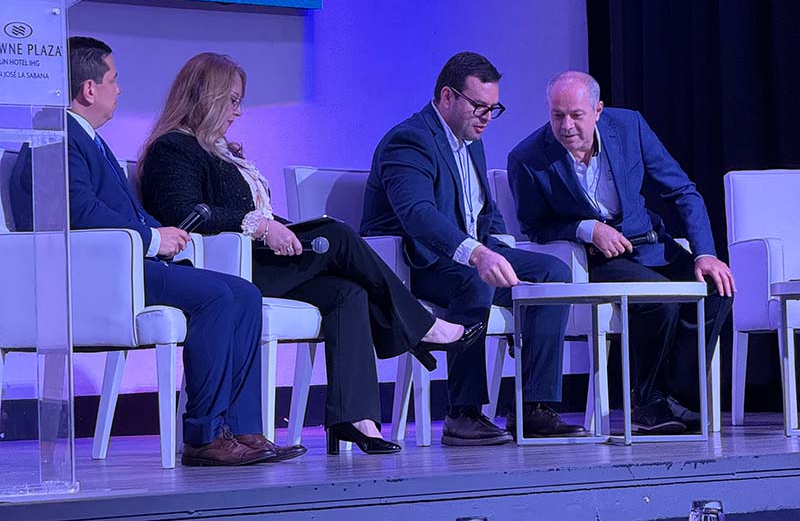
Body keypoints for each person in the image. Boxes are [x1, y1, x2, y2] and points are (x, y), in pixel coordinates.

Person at [137, 52, 482, 455]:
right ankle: (421, 326)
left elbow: (255, 213)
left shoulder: (220, 151)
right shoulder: (173, 148)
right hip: (225, 270)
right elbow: (187, 214)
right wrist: (263, 226)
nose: (238, 111)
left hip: (258, 259)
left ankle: (357, 418)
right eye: (231, 100)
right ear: (205, 96)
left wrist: (275, 224)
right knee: (336, 233)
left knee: (346, 293)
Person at [10, 37, 300, 467]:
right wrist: (151, 239)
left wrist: (161, 234)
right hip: (97, 273)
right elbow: (81, 211)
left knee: (244, 293)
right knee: (218, 297)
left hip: (123, 262)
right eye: (114, 79)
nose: (120, 89)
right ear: (89, 89)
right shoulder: (55, 137)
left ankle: (243, 430)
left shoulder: (86, 138)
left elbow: (113, 208)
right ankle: (204, 435)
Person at [360, 52, 587, 445]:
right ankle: (462, 413)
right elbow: (417, 214)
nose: (486, 116)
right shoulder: (409, 140)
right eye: (478, 106)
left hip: (461, 256)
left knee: (553, 273)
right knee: (474, 281)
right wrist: (479, 255)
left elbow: (485, 211)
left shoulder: (471, 142)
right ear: (447, 97)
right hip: (413, 262)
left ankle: (533, 407)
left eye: (493, 108)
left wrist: (499, 247)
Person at [507, 70, 735, 433]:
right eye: (557, 115)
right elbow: (534, 227)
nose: (566, 126)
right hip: (595, 258)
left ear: (597, 110)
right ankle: (646, 402)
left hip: (650, 245)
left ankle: (677, 399)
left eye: (576, 115)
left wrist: (705, 253)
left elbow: (683, 192)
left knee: (716, 289)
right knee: (656, 299)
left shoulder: (629, 127)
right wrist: (587, 229)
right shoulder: (528, 158)